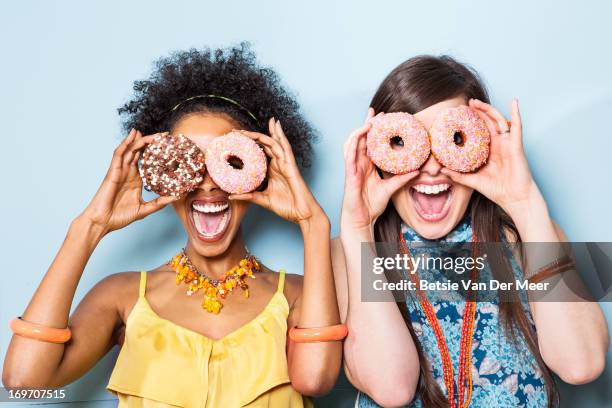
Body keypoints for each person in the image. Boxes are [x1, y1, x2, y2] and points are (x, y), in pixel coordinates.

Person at [3, 43, 344, 407]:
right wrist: (88, 226)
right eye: (189, 163)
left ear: (256, 174)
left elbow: (316, 379)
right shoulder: (121, 296)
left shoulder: (299, 295)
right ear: (164, 177)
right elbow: (24, 380)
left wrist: (313, 225)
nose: (208, 183)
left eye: (224, 163)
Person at [332, 55, 609, 407]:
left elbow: (581, 364)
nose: (431, 167)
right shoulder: (352, 249)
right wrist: (358, 228)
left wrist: (526, 205)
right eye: (407, 143)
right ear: (378, 154)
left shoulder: (529, 234)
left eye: (453, 139)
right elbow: (391, 388)